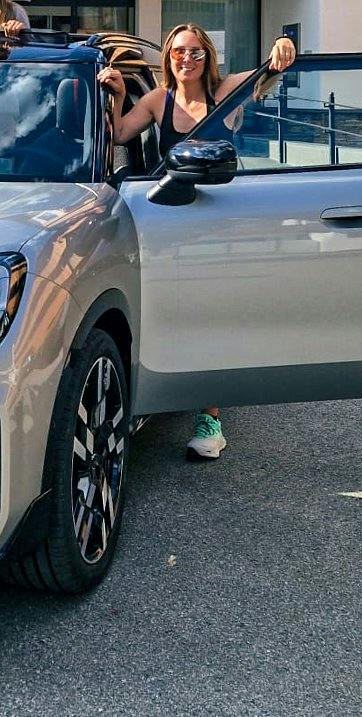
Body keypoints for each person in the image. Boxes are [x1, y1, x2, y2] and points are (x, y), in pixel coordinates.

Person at [97, 23, 298, 461]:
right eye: (177, 52)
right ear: (168, 58)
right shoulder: (157, 100)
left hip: (222, 219)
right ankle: (163, 387)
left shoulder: (227, 90)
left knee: (212, 313)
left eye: (194, 52)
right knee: (173, 309)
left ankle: (210, 420)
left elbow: (272, 72)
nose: (185, 59)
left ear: (208, 56)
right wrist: (115, 96)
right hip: (173, 217)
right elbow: (118, 135)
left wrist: (283, 45)